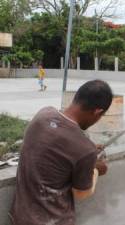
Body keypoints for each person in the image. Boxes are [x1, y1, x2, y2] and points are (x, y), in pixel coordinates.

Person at [9, 80, 113, 225]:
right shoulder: (84, 149)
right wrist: (95, 169)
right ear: (98, 111)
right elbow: (81, 193)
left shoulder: (43, 114)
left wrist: (85, 149)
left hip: (20, 216)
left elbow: (52, 142)